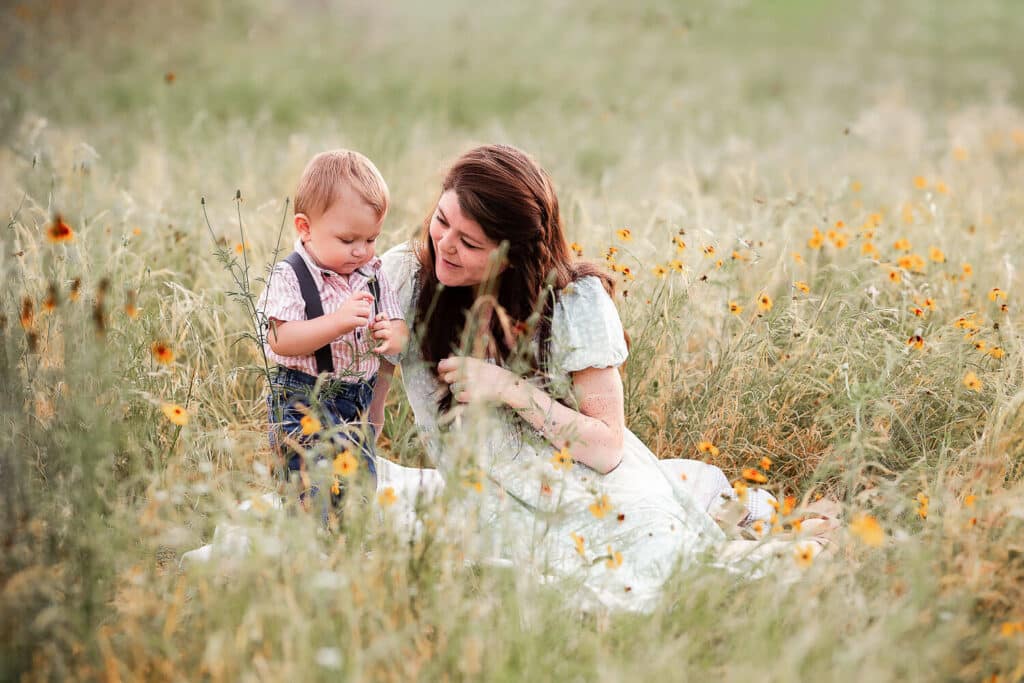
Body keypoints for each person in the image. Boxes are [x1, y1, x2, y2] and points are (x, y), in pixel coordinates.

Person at [371, 144, 799, 613]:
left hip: (585, 487)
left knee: (660, 567)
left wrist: (508, 389)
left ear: (512, 256)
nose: (444, 244)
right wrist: (356, 455)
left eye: (470, 243)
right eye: (441, 219)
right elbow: (373, 384)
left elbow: (606, 446)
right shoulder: (406, 276)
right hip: (484, 501)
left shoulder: (574, 301)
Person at [257, 149, 408, 508]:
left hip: (357, 399)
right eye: (347, 240)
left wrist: (391, 334)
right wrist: (337, 322)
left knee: (358, 486)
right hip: (303, 399)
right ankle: (309, 547)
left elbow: (401, 330)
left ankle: (346, 547)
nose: (362, 252)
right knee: (309, 482)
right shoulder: (291, 275)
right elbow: (279, 339)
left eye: (371, 239)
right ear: (305, 228)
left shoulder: (372, 274)